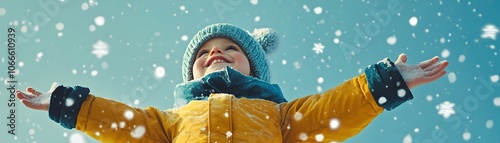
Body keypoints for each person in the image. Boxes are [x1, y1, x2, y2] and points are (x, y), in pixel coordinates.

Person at [17, 23, 449, 142]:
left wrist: (384, 82)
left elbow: (332, 110)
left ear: (254, 68)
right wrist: (66, 103)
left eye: (229, 49)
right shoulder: (170, 121)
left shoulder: (280, 116)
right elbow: (121, 122)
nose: (215, 54)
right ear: (192, 74)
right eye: (203, 54)